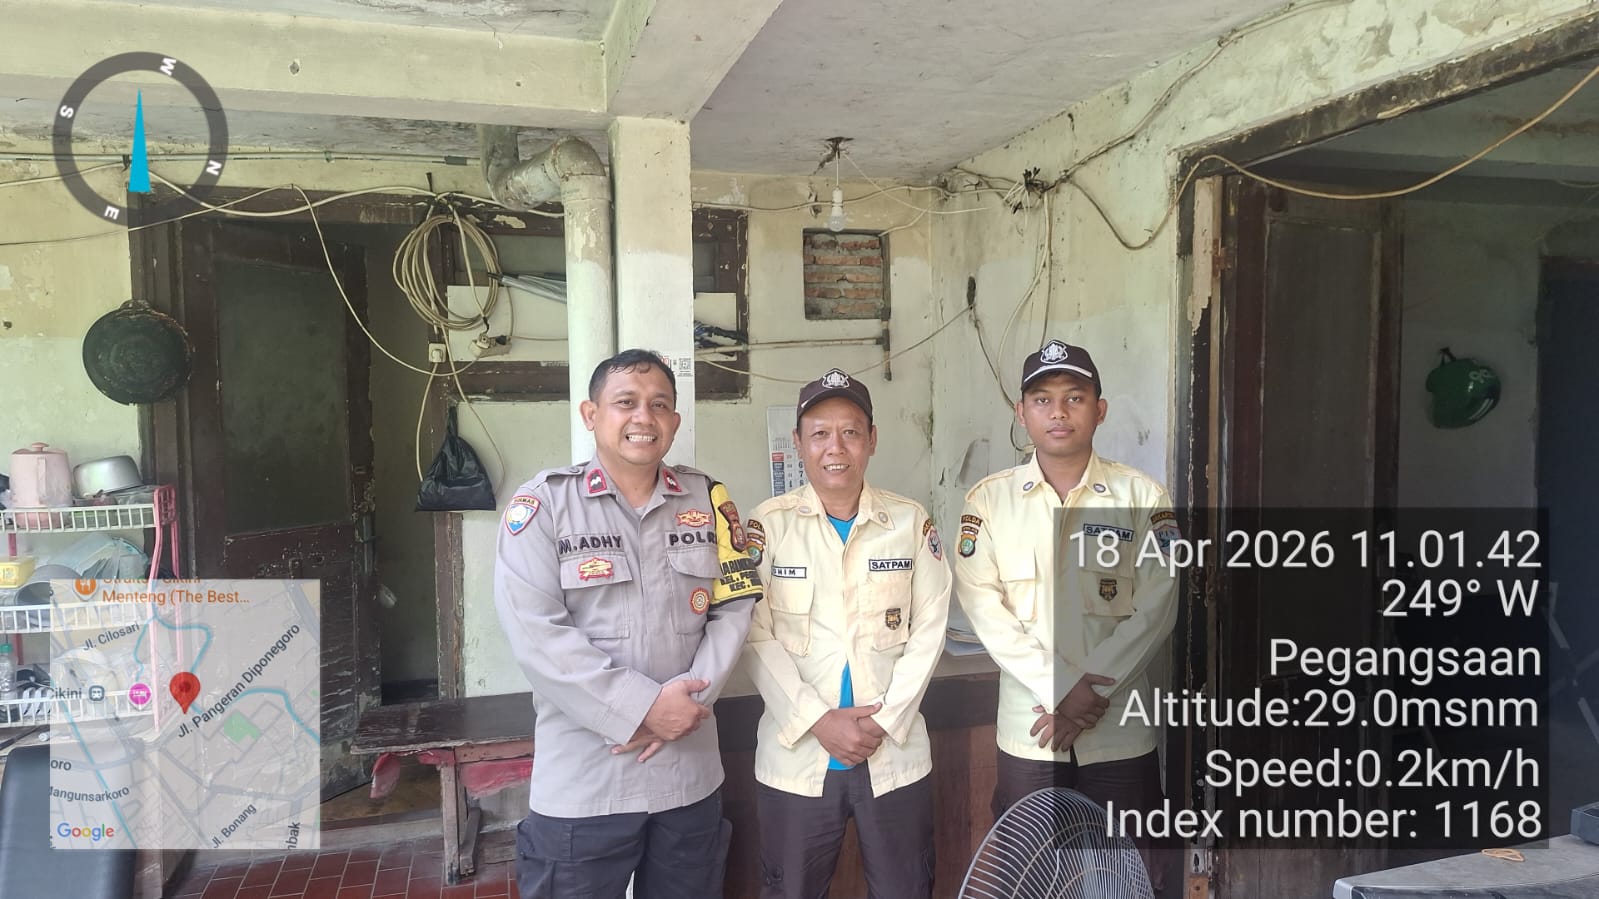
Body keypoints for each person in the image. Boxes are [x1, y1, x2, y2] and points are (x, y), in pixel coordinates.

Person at [493, 348, 763, 899]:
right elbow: (536, 633)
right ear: (591, 415)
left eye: (659, 404)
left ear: (675, 421)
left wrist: (686, 705)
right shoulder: (545, 505)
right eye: (626, 402)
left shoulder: (709, 499)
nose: (644, 416)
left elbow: (734, 607)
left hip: (688, 774)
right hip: (586, 782)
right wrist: (642, 709)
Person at [953, 339, 1178, 886]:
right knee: (1031, 880)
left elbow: (1157, 606)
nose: (1058, 412)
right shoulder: (989, 501)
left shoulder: (1141, 496)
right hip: (1031, 734)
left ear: (1100, 409)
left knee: (1122, 879)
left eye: (1075, 397)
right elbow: (984, 606)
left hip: (1118, 733)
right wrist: (1061, 687)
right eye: (1043, 400)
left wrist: (1085, 697)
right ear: (1021, 413)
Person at [742, 367, 952, 899]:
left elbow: (930, 629)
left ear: (872, 440)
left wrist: (884, 720)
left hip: (894, 756)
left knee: (906, 890)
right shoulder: (768, 526)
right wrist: (818, 720)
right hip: (796, 759)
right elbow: (753, 634)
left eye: (851, 432)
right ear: (798, 443)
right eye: (819, 433)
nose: (835, 447)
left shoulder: (909, 523)